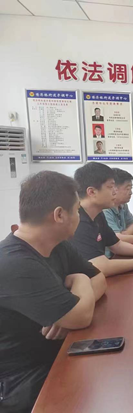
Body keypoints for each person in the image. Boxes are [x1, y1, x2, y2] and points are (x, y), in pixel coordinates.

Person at [0, 171, 107, 412]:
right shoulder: (15, 262)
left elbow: (99, 279)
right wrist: (80, 283)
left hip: (57, 353)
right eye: (77, 210)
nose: (79, 216)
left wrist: (73, 307)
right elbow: (81, 316)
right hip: (21, 379)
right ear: (59, 215)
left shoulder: (58, 246)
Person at [70, 162, 133, 277]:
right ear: (92, 192)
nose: (115, 191)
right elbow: (101, 267)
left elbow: (117, 245)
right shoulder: (77, 220)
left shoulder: (97, 214)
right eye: (110, 187)